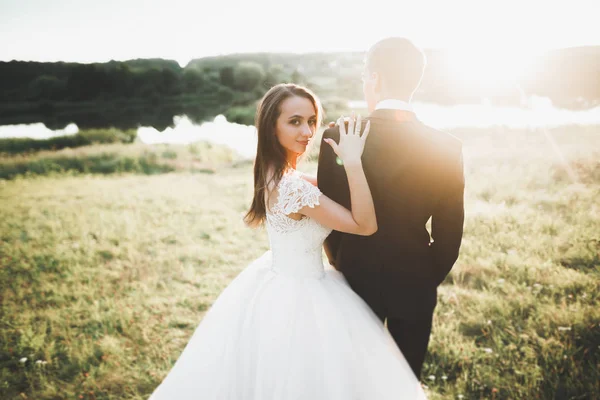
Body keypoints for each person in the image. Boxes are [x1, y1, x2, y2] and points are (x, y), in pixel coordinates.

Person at [149, 83, 426, 399]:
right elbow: (364, 225)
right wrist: (352, 161)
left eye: (311, 121)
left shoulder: (277, 174)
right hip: (301, 291)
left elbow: (330, 192)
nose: (307, 131)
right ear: (271, 126)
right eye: (294, 121)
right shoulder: (292, 188)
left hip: (280, 277)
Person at [317, 37, 465, 379]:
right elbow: (449, 232)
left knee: (355, 377)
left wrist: (345, 262)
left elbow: (330, 219)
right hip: (416, 279)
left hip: (354, 276)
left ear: (376, 79)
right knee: (405, 379)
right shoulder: (447, 146)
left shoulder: (339, 135)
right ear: (415, 80)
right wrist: (426, 275)